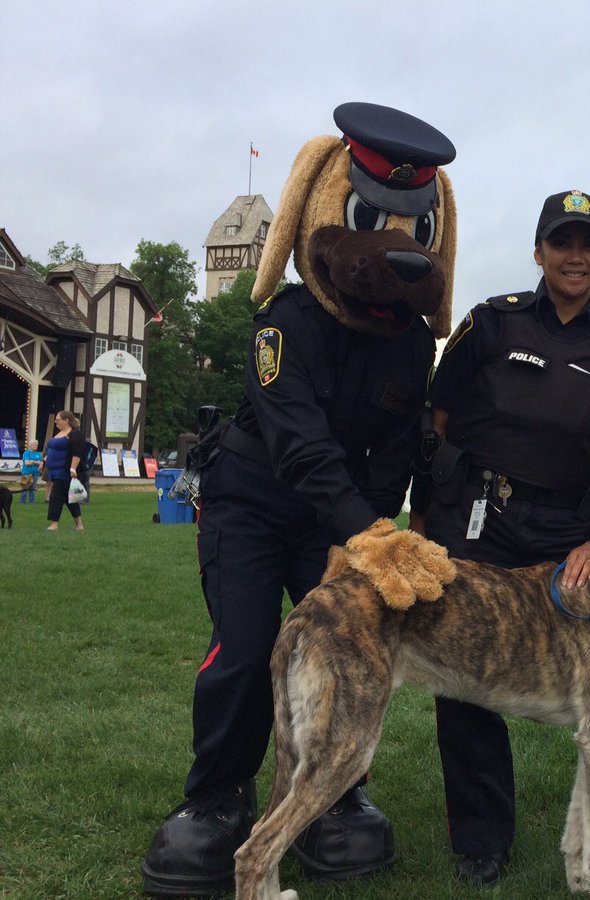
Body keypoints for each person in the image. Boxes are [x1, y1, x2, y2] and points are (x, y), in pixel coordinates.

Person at [141, 105, 452, 897]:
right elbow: (297, 442)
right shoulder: (283, 323)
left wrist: (359, 535)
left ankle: (336, 791)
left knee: (348, 654)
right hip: (253, 500)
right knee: (246, 650)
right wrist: (362, 532)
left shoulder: (413, 340)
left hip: (343, 515)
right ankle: (217, 793)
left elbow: (396, 451)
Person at [416, 189, 590, 887]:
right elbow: (435, 424)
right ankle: (482, 840)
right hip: (484, 519)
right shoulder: (490, 325)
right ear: (538, 251)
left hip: (576, 531)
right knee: (466, 672)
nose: (575, 257)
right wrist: (426, 527)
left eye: (588, 244)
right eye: (561, 243)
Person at [40, 411, 85, 531]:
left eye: (58, 419)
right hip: (53, 470)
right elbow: (52, 450)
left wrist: (73, 468)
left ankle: (54, 523)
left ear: (66, 420)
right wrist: (43, 462)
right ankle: (79, 524)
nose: (56, 421)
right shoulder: (59, 433)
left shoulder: (74, 434)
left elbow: (77, 453)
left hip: (64, 470)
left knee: (55, 496)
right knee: (69, 498)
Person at [20, 438, 42, 504]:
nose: (35, 446)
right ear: (30, 445)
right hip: (26, 473)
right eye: (34, 445)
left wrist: (33, 461)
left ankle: (32, 502)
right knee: (25, 488)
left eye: (36, 445)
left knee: (33, 488)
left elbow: (41, 463)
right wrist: (36, 462)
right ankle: (22, 502)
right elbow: (27, 463)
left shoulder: (38, 454)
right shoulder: (26, 453)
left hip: (35, 473)